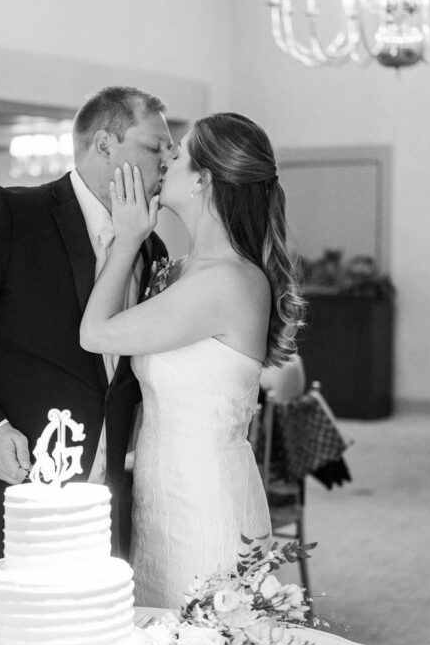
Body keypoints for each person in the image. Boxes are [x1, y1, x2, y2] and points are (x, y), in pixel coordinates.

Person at [0, 86, 174, 606]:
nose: (169, 160)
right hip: (0, 494)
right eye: (157, 147)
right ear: (105, 146)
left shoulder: (148, 246)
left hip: (96, 505)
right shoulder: (11, 216)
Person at [80, 112, 305, 608]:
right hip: (159, 491)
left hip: (205, 498)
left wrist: (128, 238)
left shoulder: (229, 280)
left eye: (176, 153)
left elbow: (96, 334)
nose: (164, 161)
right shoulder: (178, 271)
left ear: (203, 179)